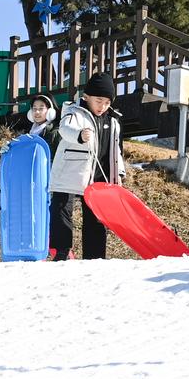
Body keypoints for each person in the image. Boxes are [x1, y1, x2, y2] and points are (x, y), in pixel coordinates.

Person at [48, 73, 125, 261]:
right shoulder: (74, 112)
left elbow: (117, 150)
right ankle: (61, 251)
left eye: (107, 102)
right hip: (70, 171)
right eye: (99, 100)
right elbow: (65, 129)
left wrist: (119, 173)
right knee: (61, 209)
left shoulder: (113, 121)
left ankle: (95, 256)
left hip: (99, 175)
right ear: (87, 96)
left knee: (96, 216)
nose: (103, 106)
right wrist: (80, 135)